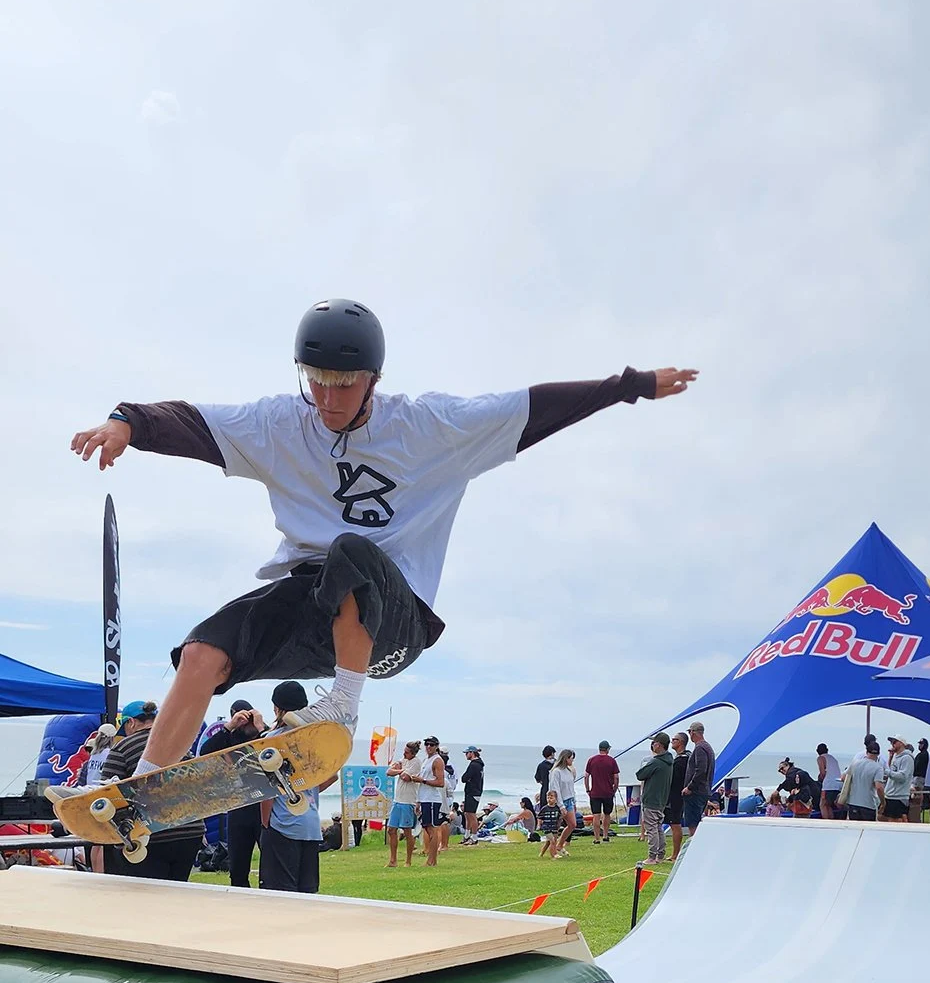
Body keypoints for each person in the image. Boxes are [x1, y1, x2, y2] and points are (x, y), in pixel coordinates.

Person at [71, 302, 697, 788]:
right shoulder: (278, 424)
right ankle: (146, 792)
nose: (327, 398)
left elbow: (531, 409)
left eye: (344, 383)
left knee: (352, 551)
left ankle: (341, 711)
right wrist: (125, 422)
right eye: (316, 381)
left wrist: (629, 384)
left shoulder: (430, 426)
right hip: (315, 605)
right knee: (203, 651)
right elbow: (194, 422)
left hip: (397, 619)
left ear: (373, 379)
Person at [100, 701, 204, 883]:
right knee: (177, 892)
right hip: (190, 830)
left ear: (131, 722)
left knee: (147, 895)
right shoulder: (180, 745)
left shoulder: (122, 748)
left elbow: (105, 793)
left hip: (152, 834)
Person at [258, 682, 336, 892]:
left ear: (277, 708)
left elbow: (268, 791)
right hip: (310, 824)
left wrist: (265, 824)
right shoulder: (313, 740)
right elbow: (333, 775)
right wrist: (305, 791)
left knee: (280, 894)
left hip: (283, 825)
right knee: (307, 894)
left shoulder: (272, 741)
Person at [198, 696, 268, 886]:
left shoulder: (266, 736)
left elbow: (276, 747)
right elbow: (205, 753)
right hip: (239, 805)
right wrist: (229, 727)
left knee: (270, 865)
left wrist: (260, 726)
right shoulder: (230, 738)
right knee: (237, 866)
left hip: (265, 806)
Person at [385, 739, 422, 867]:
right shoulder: (403, 761)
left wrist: (400, 772)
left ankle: (408, 860)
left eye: (407, 752)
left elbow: (407, 778)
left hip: (408, 801)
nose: (404, 754)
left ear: (413, 753)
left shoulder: (416, 763)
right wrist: (401, 771)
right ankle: (393, 860)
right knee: (391, 830)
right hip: (398, 800)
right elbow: (389, 772)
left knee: (407, 831)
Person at [635, 736, 673, 862]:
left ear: (659, 745)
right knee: (658, 828)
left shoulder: (656, 762)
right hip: (662, 799)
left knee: (651, 828)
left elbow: (640, 775)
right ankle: (660, 854)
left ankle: (652, 856)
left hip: (651, 799)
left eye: (654, 743)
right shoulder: (669, 761)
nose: (653, 746)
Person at [683, 721, 716, 835]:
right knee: (696, 821)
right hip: (704, 790)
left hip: (696, 792)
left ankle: (694, 847)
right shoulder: (708, 748)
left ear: (692, 732)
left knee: (693, 824)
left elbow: (701, 770)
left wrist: (689, 787)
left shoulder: (699, 748)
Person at [418, 736, 447, 866]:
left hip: (431, 799)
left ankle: (432, 859)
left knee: (432, 829)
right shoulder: (426, 760)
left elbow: (440, 782)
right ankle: (431, 858)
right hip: (424, 798)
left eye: (431, 744)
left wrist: (423, 781)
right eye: (426, 744)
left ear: (436, 746)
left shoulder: (437, 761)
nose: (428, 747)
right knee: (426, 827)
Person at [584, 741, 619, 843]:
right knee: (607, 814)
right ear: (607, 749)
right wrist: (615, 789)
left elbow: (586, 776)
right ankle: (605, 835)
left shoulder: (592, 760)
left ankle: (596, 838)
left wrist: (587, 789)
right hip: (608, 792)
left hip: (595, 792)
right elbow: (616, 777)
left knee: (596, 815)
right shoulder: (612, 761)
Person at [545, 750, 579, 858]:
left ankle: (559, 845)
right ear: (565, 758)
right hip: (560, 801)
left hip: (569, 800)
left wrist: (574, 802)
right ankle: (553, 851)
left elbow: (571, 788)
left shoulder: (569, 771)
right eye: (571, 758)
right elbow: (555, 789)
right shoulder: (556, 772)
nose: (572, 760)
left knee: (572, 824)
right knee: (555, 828)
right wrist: (560, 805)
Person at [844, 733, 881, 821]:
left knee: (854, 830)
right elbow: (879, 787)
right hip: (868, 804)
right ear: (878, 754)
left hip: (853, 802)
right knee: (869, 831)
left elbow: (843, 777)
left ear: (867, 751)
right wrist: (883, 802)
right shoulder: (878, 767)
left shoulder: (855, 762)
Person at [877, 735, 914, 820]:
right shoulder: (896, 757)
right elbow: (892, 771)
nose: (892, 744)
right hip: (891, 795)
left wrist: (886, 771)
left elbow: (902, 776)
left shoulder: (907, 758)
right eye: (891, 742)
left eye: (894, 742)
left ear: (901, 743)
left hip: (898, 796)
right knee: (884, 817)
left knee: (895, 820)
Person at [667, 731, 689, 859]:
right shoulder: (685, 758)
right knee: (674, 823)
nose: (672, 742)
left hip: (677, 794)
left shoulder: (681, 760)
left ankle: (675, 854)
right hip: (678, 794)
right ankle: (675, 853)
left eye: (674, 740)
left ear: (680, 742)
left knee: (675, 823)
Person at [461, 745, 485, 838]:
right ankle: (467, 835)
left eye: (467, 753)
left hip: (473, 792)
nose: (466, 755)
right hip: (471, 792)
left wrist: (467, 779)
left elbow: (464, 778)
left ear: (472, 753)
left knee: (472, 815)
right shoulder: (477, 764)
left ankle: (474, 837)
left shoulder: (474, 765)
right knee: (467, 814)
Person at [816, 743, 842, 819]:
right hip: (838, 783)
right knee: (829, 805)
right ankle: (831, 820)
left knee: (823, 804)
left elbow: (823, 773)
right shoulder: (833, 758)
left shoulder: (820, 758)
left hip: (828, 785)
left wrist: (820, 779)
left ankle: (825, 821)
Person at [537, 788, 563, 854]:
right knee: (552, 841)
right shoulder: (544, 808)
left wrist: (558, 826)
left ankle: (541, 853)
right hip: (546, 827)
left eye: (551, 798)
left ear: (556, 799)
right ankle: (554, 855)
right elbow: (540, 817)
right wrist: (539, 825)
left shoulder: (557, 808)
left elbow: (560, 818)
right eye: (548, 798)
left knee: (549, 842)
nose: (549, 799)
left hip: (554, 827)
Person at [909, 737, 930, 821]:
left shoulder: (924, 754)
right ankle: (918, 806)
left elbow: (918, 766)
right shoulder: (921, 754)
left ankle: (919, 806)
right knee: (916, 790)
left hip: (920, 776)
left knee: (918, 791)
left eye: (921, 744)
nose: (920, 745)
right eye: (919, 744)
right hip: (917, 776)